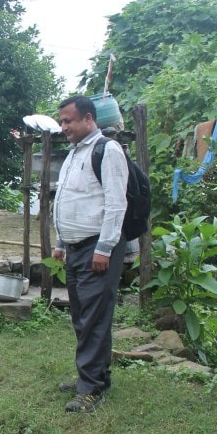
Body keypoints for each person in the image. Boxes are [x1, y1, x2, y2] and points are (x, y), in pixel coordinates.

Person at [52, 95, 128, 413]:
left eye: (69, 120)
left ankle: (90, 389)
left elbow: (116, 203)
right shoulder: (73, 154)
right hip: (75, 248)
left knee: (94, 318)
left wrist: (105, 248)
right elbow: (67, 201)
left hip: (97, 249)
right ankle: (95, 376)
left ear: (88, 119)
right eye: (62, 121)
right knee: (83, 317)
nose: (63, 126)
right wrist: (60, 243)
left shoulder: (107, 150)